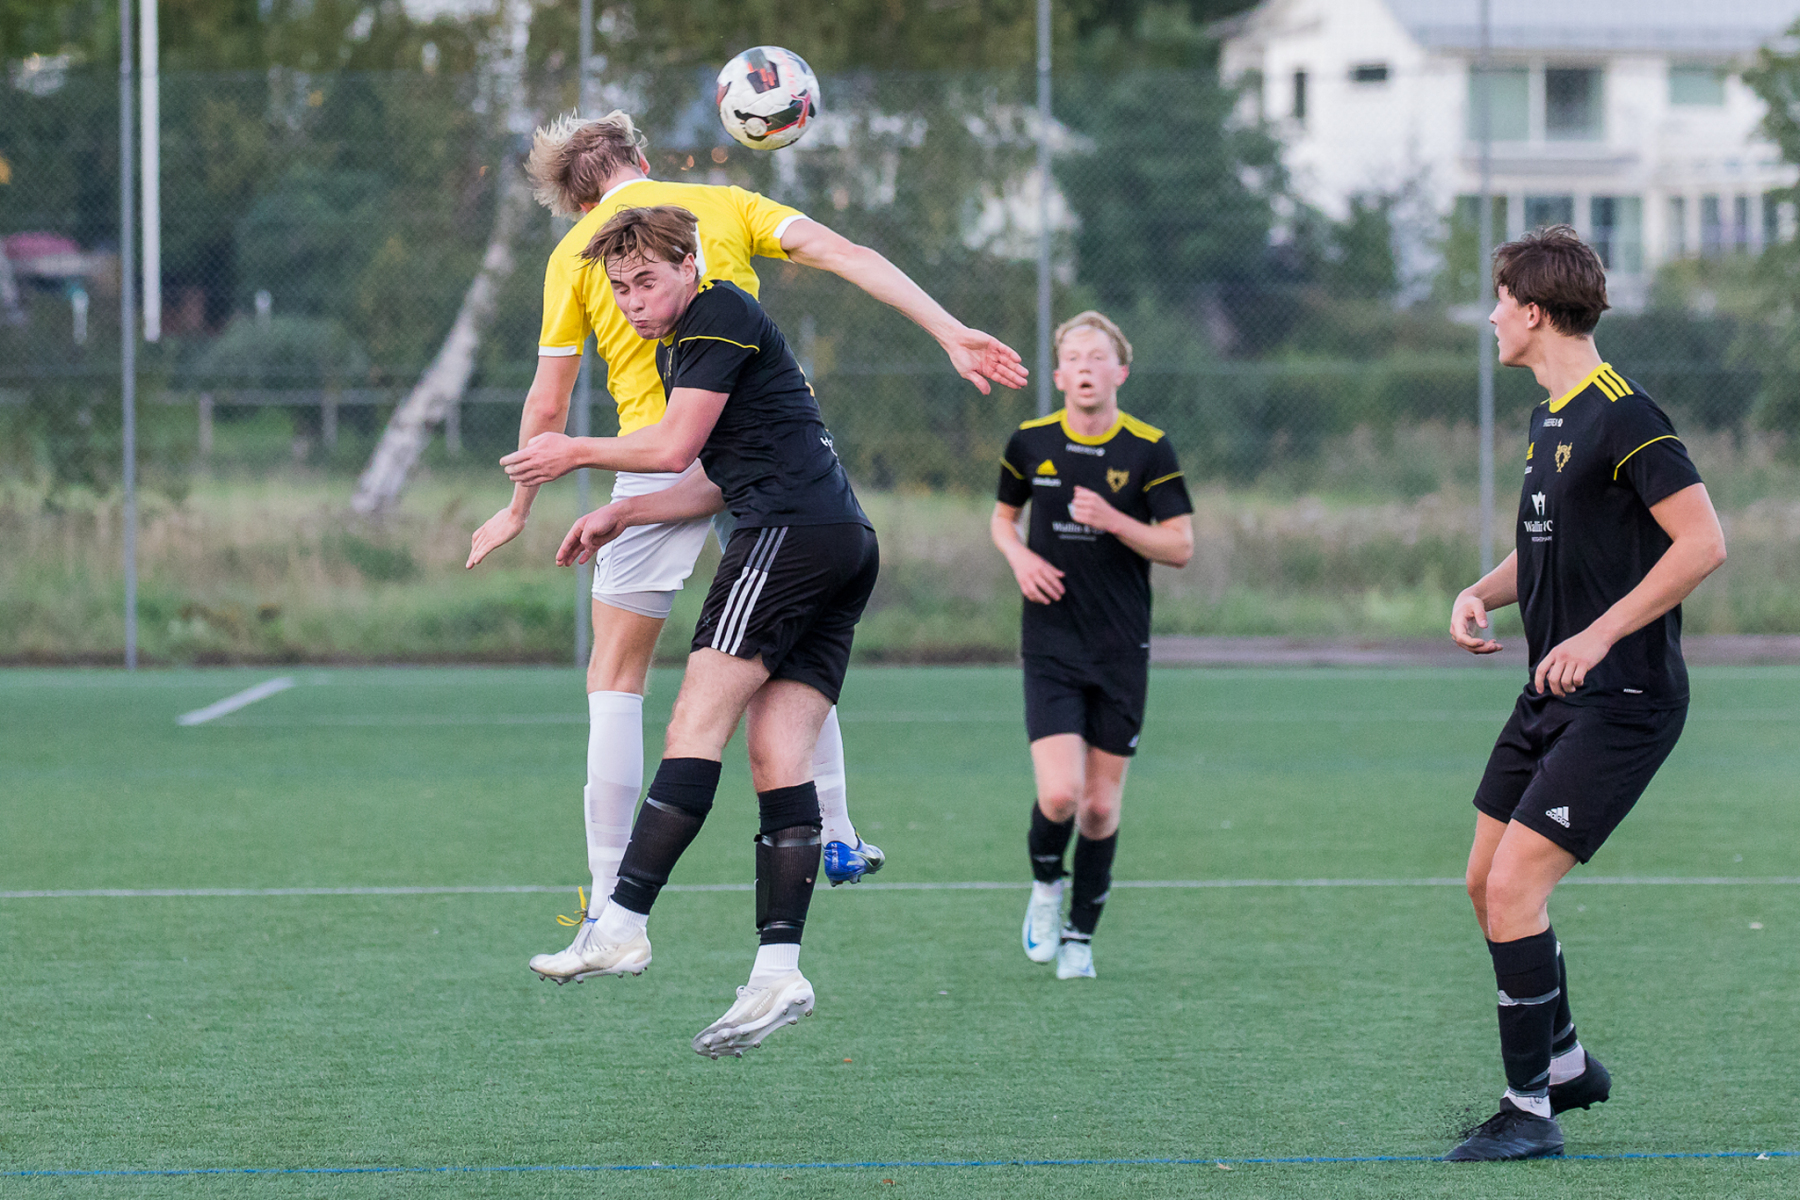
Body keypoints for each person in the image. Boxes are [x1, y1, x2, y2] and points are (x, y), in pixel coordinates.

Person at [464, 112, 1026, 981]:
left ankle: (610, 901)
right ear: (641, 159)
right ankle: (836, 829)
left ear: (573, 198)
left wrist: (519, 505)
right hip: (762, 450)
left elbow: (548, 404)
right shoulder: (722, 201)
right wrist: (950, 330)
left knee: (616, 678)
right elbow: (850, 256)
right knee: (785, 636)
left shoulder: (582, 248)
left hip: (654, 454)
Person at [502, 204, 886, 1057]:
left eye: (646, 280)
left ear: (690, 266)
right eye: (619, 289)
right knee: (776, 756)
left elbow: (674, 446)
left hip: (787, 536)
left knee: (692, 726)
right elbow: (715, 473)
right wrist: (625, 514)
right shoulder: (686, 342)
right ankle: (778, 972)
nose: (632, 301)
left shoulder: (717, 311)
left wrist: (573, 450)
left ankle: (621, 923)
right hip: (839, 539)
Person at [1444, 226, 1726, 1161]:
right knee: (1485, 881)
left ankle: (1529, 1113)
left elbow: (1703, 544)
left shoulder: (1624, 414)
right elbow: (1544, 545)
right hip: (1551, 693)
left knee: (1516, 886)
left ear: (1532, 311)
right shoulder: (1551, 419)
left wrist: (1601, 633)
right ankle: (1563, 1062)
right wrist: (1480, 593)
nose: (1490, 317)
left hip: (1625, 699)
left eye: (1498, 302)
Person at [990, 311, 1194, 981]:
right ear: (1058, 375)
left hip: (1119, 646)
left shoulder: (1149, 449)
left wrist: (1112, 519)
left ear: (1119, 372)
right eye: (1074, 357)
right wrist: (1019, 558)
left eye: (1097, 357)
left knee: (1101, 808)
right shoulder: (1030, 442)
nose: (1085, 367)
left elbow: (1180, 546)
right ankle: (1047, 885)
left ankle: (1080, 937)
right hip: (1051, 642)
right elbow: (1002, 520)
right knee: (1060, 797)